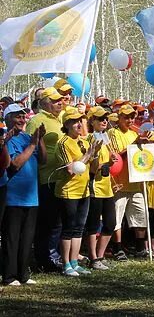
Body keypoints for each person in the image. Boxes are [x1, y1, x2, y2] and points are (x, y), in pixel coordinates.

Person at [2, 104, 46, 286]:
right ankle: (9, 275)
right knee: (12, 237)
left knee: (27, 237)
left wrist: (39, 140)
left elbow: (43, 160)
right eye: (17, 116)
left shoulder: (28, 138)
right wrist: (33, 144)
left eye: (23, 116)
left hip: (31, 197)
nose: (22, 120)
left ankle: (23, 273)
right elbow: (15, 164)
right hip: (13, 197)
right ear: (7, 118)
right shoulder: (8, 140)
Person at [55, 108, 101, 276]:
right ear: (67, 124)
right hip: (68, 191)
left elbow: (92, 170)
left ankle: (74, 261)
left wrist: (94, 155)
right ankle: (66, 263)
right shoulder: (63, 142)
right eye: (74, 121)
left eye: (80, 121)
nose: (78, 124)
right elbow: (70, 169)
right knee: (68, 228)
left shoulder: (84, 142)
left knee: (79, 228)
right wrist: (88, 155)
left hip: (84, 190)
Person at [26, 87, 64, 271]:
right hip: (45, 177)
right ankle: (43, 258)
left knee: (57, 220)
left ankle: (53, 255)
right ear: (44, 102)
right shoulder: (36, 120)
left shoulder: (60, 119)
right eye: (56, 100)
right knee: (47, 221)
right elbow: (30, 146)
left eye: (61, 100)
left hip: (61, 176)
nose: (60, 103)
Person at [108, 104, 145, 261]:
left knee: (141, 215)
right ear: (119, 118)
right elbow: (116, 156)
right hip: (120, 183)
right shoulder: (113, 133)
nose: (130, 120)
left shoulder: (135, 133)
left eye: (132, 117)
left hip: (136, 182)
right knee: (117, 218)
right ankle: (117, 248)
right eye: (126, 117)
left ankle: (140, 247)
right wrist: (135, 143)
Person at [84, 107, 117, 270]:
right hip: (94, 187)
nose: (104, 121)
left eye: (106, 118)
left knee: (110, 223)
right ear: (92, 121)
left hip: (107, 187)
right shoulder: (90, 139)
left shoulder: (105, 138)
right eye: (100, 119)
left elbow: (109, 165)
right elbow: (91, 168)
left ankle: (100, 255)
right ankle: (93, 258)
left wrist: (110, 166)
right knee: (93, 223)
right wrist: (105, 164)